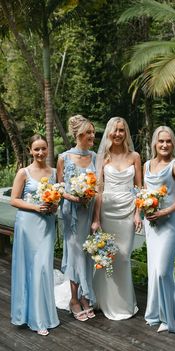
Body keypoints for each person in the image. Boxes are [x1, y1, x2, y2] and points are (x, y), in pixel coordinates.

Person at [91, 116, 142, 320]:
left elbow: (139, 188)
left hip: (128, 211)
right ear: (109, 132)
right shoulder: (102, 157)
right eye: (115, 130)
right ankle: (102, 300)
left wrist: (139, 213)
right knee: (107, 256)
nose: (118, 134)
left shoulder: (135, 156)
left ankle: (122, 303)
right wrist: (96, 219)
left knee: (123, 256)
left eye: (122, 130)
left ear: (126, 133)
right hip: (107, 212)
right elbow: (98, 190)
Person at [11, 134, 60, 336]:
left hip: (46, 225)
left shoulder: (55, 173)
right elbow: (14, 200)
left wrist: (53, 206)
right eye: (36, 149)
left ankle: (43, 316)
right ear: (30, 151)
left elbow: (58, 202)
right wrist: (35, 207)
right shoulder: (24, 172)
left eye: (43, 148)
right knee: (28, 268)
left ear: (48, 149)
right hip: (27, 224)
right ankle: (30, 317)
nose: (40, 152)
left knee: (42, 268)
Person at [143, 126, 175, 334]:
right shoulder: (146, 165)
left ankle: (171, 318)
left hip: (168, 224)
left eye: (168, 141)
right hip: (151, 225)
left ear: (173, 143)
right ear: (155, 144)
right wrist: (140, 211)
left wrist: (164, 212)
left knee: (162, 271)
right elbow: (143, 192)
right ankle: (157, 313)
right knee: (153, 271)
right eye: (161, 141)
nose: (165, 145)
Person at [57, 115, 96, 321]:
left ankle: (85, 295)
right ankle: (74, 299)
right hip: (71, 213)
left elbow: (99, 191)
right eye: (88, 132)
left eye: (92, 132)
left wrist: (96, 218)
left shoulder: (95, 157)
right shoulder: (64, 157)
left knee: (88, 253)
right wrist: (74, 197)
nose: (92, 135)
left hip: (88, 212)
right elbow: (59, 188)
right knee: (75, 255)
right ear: (78, 134)